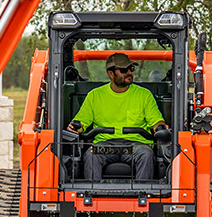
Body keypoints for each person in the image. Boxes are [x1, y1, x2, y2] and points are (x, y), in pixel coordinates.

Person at [67, 52, 169, 180]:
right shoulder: (95, 96)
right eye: (123, 70)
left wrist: (160, 127)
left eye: (130, 69)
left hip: (136, 145)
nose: (129, 73)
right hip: (105, 145)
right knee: (92, 154)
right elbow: (81, 122)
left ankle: (144, 195)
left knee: (146, 154)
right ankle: (93, 195)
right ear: (110, 73)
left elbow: (156, 121)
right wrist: (75, 127)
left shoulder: (144, 95)